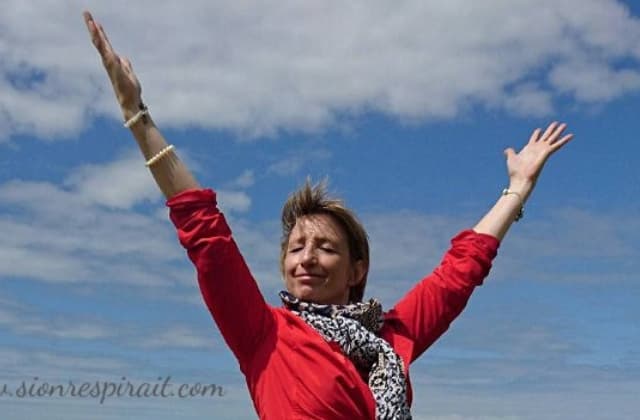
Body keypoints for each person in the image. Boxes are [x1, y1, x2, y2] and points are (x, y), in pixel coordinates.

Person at [83, 11, 574, 420]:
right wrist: (137, 116)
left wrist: (517, 189)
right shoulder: (264, 333)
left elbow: (460, 272)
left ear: (357, 269)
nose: (307, 258)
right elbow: (205, 234)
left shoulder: (392, 338)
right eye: (296, 247)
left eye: (325, 247)